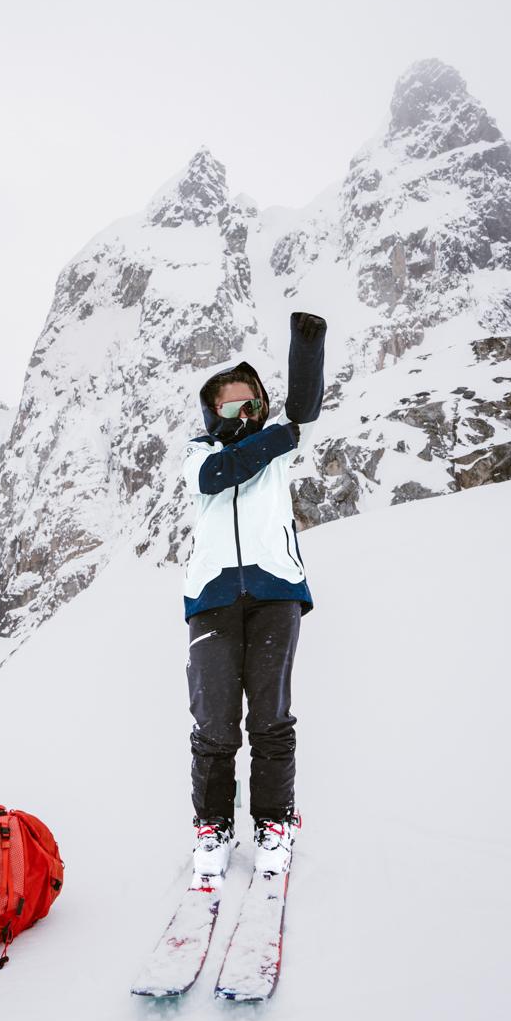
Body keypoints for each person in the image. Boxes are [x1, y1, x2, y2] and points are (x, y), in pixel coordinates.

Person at [181, 312, 327, 877]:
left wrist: (307, 342)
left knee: (270, 718)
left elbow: (305, 407)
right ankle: (212, 829)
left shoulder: (282, 448)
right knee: (214, 722)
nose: (244, 412)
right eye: (231, 404)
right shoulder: (198, 454)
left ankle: (273, 823)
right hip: (212, 599)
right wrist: (272, 436)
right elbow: (220, 475)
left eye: (252, 403)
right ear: (212, 411)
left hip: (275, 592)